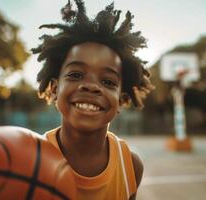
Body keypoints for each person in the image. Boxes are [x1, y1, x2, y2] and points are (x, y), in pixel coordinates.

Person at [32, 0, 154, 199]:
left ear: (121, 99)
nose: (91, 86)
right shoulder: (30, 158)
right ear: (55, 89)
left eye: (107, 81)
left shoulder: (130, 165)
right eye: (76, 75)